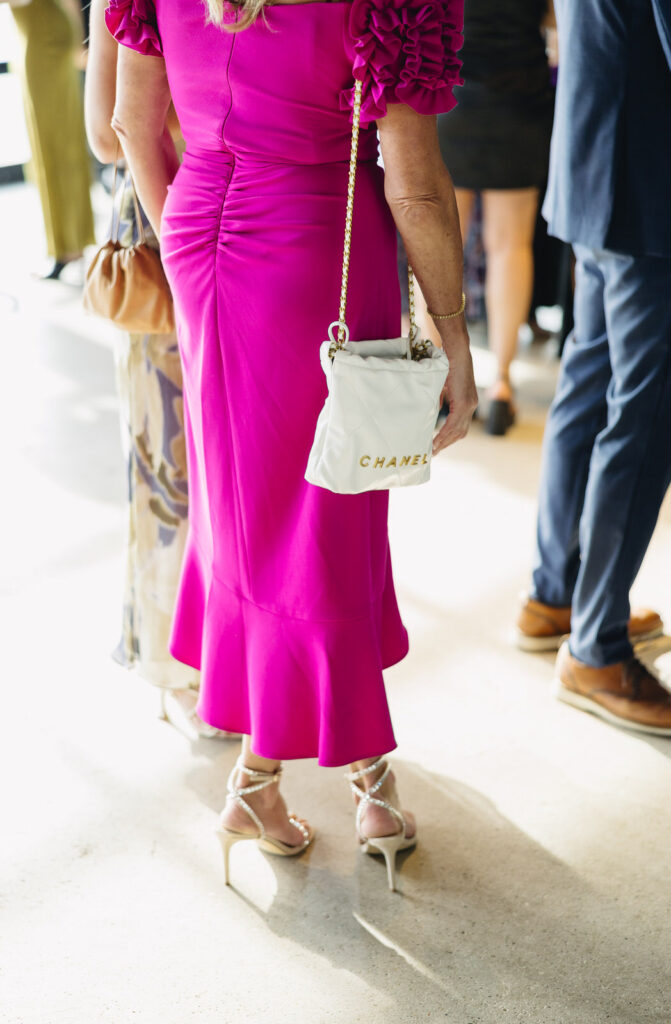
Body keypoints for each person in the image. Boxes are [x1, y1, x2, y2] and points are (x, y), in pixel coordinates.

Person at [106, 0, 476, 890]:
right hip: (317, 245)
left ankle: (258, 781)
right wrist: (455, 338)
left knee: (242, 509)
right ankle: (366, 780)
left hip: (201, 231)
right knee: (328, 511)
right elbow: (415, 184)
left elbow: (127, 122)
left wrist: (194, 238)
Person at [516, 0, 671, 736]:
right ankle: (597, 647)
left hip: (591, 163)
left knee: (588, 382)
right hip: (648, 184)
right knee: (642, 418)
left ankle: (558, 595)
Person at [85, 0, 230, 740]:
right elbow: (106, 137)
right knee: (165, 458)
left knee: (223, 462)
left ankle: (227, 654)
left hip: (236, 224)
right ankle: (171, 663)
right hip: (161, 231)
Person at [422, 0, 555, 435]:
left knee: (441, 245)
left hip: (452, 93)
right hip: (520, 97)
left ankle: (435, 380)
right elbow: (556, 18)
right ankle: (501, 384)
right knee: (510, 246)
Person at [10, 0, 95, 279]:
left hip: (44, 42)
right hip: (40, 39)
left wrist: (75, 40)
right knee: (56, 143)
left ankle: (67, 248)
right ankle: (70, 245)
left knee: (55, 145)